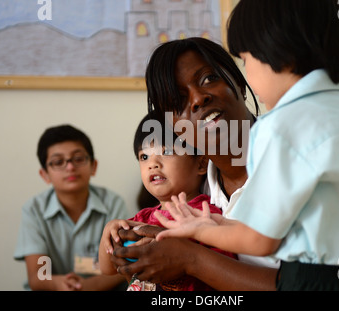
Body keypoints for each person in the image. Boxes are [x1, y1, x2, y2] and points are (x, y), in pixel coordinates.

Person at [154, 0, 339, 291]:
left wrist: (200, 233)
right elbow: (297, 228)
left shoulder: (280, 127)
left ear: (281, 53)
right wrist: (217, 224)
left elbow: (262, 240)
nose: (248, 75)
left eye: (246, 60)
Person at [110, 37, 281, 291]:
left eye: (208, 79)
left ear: (239, 83)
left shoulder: (292, 156)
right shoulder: (189, 188)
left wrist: (191, 260)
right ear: (176, 128)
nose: (198, 99)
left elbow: (322, 285)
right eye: (179, 100)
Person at [99, 112, 237, 291]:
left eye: (167, 151)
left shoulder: (205, 215)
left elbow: (223, 274)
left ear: (201, 164)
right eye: (144, 157)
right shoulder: (141, 219)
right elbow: (107, 269)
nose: (153, 164)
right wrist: (108, 235)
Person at [14, 124, 129, 290]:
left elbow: (122, 267)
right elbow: (38, 276)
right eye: (58, 161)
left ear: (93, 166)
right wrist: (61, 284)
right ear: (45, 174)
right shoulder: (33, 210)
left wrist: (87, 286)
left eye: (78, 159)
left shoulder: (113, 204)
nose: (70, 167)